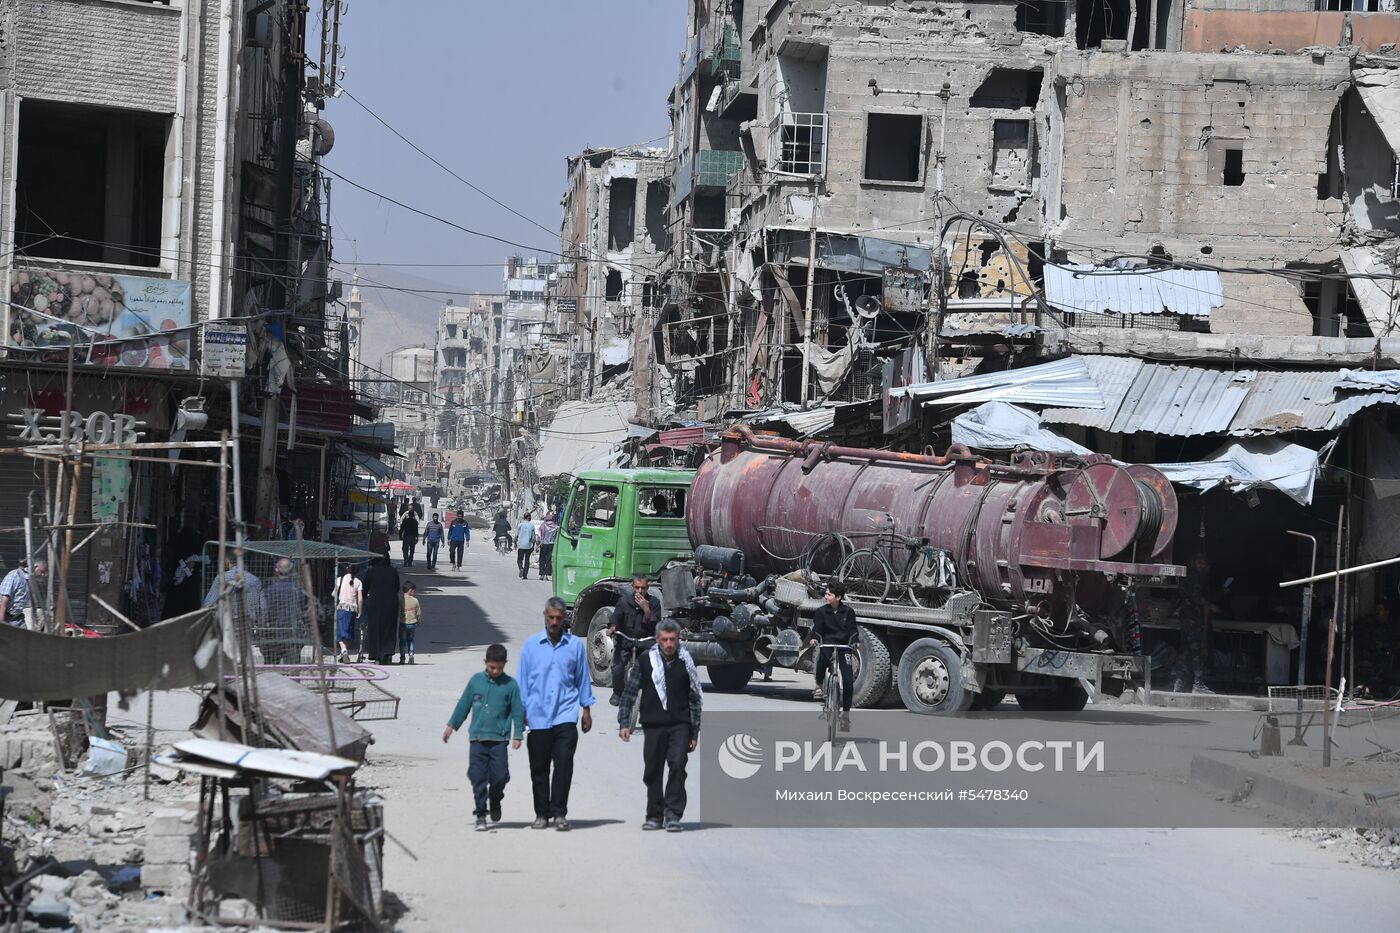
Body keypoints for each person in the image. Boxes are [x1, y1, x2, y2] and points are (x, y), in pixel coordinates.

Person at [516, 597, 595, 830]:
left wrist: (586, 709)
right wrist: (520, 713)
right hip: (537, 716)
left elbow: (582, 678)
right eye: (550, 617)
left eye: (558, 618)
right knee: (539, 768)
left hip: (565, 715)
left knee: (564, 764)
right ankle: (542, 814)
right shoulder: (531, 646)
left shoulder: (574, 646)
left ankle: (559, 813)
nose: (554, 622)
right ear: (544, 616)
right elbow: (522, 681)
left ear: (564, 619)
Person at [617, 619, 703, 832]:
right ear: (657, 639)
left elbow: (694, 699)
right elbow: (630, 692)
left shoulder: (686, 662)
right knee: (653, 771)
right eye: (664, 640)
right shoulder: (646, 661)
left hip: (680, 724)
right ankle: (654, 815)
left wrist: (694, 732)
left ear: (678, 639)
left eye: (672, 639)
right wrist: (624, 722)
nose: (668, 644)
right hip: (653, 724)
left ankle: (673, 815)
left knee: (677, 765)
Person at [443, 643, 525, 831]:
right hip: (478, 739)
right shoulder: (476, 681)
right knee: (478, 776)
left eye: (499, 668)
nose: (495, 671)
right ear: (485, 663)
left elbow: (517, 711)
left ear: (505, 664)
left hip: (499, 740)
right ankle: (481, 814)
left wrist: (518, 734)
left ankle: (495, 799)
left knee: (500, 776)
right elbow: (463, 705)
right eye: (492, 667)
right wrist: (451, 725)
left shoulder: (510, 685)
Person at [808, 580, 858, 732]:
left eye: (829, 594)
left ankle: (846, 716)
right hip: (827, 643)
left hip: (844, 646)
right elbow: (817, 628)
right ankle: (819, 685)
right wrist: (815, 638)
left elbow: (853, 630)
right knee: (822, 659)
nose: (826, 597)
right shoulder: (821, 611)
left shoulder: (848, 612)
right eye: (826, 594)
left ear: (838, 597)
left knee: (848, 681)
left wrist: (855, 641)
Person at [607, 575, 662, 703]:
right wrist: (612, 627)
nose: (640, 591)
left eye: (643, 588)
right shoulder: (623, 601)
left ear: (647, 588)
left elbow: (657, 625)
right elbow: (616, 617)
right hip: (626, 641)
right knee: (617, 669)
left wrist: (646, 609)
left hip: (646, 643)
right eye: (637, 587)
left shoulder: (654, 603)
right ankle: (618, 692)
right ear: (633, 587)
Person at [1172, 553, 1215, 695]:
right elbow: (1196, 597)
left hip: (1187, 618)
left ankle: (1179, 684)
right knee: (1197, 652)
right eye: (1199, 562)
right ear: (1193, 562)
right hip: (1193, 619)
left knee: (1184, 652)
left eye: (1204, 563)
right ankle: (1198, 684)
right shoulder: (1195, 577)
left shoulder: (1189, 576)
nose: (1202, 565)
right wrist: (1208, 604)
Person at [260, 558, 306, 666]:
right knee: (292, 668)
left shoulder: (267, 591)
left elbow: (263, 613)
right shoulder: (298, 591)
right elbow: (303, 612)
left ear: (277, 570)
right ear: (291, 571)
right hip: (293, 635)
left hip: (272, 635)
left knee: (271, 668)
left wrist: (262, 632)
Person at [360, 554, 402, 665]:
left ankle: (376, 655)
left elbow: (365, 587)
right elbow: (397, 587)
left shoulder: (371, 571)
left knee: (375, 627)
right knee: (389, 627)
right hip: (391, 602)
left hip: (375, 603)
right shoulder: (393, 571)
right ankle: (387, 653)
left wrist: (363, 598)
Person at [202, 553, 263, 628]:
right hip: (248, 623)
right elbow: (262, 606)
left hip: (228, 623)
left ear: (228, 561)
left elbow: (209, 602)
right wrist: (262, 624)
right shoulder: (256, 580)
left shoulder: (222, 577)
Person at [0, 559, 47, 627]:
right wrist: (1, 620)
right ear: (35, 567)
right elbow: (4, 598)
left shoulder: (30, 581)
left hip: (17, 617)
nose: (42, 575)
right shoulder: (15, 575)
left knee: (25, 633)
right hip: (5, 614)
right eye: (41, 571)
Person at [333, 563, 362, 664]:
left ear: (347, 569)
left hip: (341, 609)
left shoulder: (340, 579)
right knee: (348, 633)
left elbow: (334, 594)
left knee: (340, 633)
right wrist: (359, 611)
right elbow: (360, 599)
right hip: (352, 611)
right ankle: (343, 654)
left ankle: (344, 651)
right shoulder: (358, 582)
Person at [400, 581, 421, 664]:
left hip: (403, 623)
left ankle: (402, 658)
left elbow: (398, 612)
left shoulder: (401, 600)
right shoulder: (415, 600)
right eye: (413, 591)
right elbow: (418, 612)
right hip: (412, 623)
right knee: (411, 640)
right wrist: (418, 620)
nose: (414, 592)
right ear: (410, 590)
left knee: (402, 641)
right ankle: (411, 654)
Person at [537, 512, 560, 582]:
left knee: (542, 559)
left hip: (544, 544)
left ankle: (542, 574)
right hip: (552, 545)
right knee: (549, 560)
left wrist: (539, 543)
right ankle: (546, 575)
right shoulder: (556, 527)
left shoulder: (543, 526)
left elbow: (540, 535)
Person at [515, 512, 537, 580]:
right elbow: (533, 538)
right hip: (528, 545)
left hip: (521, 545)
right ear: (528, 517)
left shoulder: (520, 525)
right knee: (527, 560)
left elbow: (516, 535)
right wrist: (533, 545)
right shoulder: (531, 526)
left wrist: (515, 543)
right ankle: (525, 575)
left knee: (519, 559)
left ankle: (521, 568)